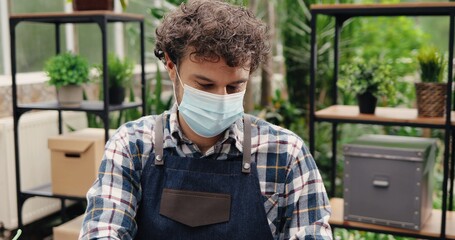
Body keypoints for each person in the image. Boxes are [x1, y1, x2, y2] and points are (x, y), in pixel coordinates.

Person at [79, 0, 332, 239]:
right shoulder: (133, 145)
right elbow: (103, 228)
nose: (221, 98)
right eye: (205, 84)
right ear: (171, 66)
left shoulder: (285, 153)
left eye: (234, 87)